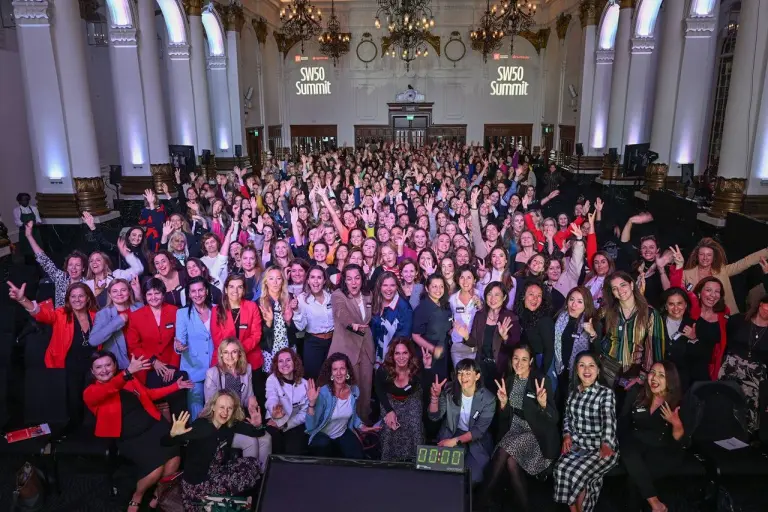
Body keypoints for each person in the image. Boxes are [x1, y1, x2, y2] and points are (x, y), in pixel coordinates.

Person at [84, 351, 191, 512]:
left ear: (115, 365)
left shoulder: (128, 378)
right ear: (92, 371)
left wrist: (176, 386)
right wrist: (127, 373)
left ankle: (158, 495)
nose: (104, 370)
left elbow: (148, 394)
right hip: (130, 438)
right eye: (98, 367)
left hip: (154, 426)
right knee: (155, 470)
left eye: (108, 365)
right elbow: (110, 388)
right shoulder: (91, 392)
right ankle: (137, 496)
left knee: (174, 459)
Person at [9, 280, 97, 431]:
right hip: (68, 365)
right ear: (68, 299)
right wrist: (23, 299)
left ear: (87, 298)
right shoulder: (61, 314)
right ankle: (73, 431)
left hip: (92, 366)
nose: (77, 300)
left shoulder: (95, 315)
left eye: (81, 296)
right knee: (72, 401)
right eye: (73, 296)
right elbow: (41, 314)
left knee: (91, 400)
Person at [480, 345, 559, 512]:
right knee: (511, 462)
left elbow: (554, 418)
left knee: (504, 451)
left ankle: (481, 499)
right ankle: (525, 507)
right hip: (514, 429)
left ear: (531, 361)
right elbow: (503, 418)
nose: (519, 363)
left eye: (524, 359)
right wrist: (503, 404)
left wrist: (543, 405)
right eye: (516, 358)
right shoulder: (509, 380)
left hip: (535, 433)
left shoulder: (540, 380)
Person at [163, 391, 266, 509]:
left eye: (229, 408)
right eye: (221, 407)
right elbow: (165, 442)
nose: (225, 412)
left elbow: (257, 432)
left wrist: (258, 425)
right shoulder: (201, 426)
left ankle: (225, 498)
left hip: (217, 471)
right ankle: (209, 500)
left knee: (252, 463)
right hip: (198, 483)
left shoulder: (229, 424)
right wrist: (173, 435)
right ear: (213, 407)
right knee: (244, 477)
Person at [554, 351, 619, 512]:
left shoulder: (605, 394)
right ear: (576, 370)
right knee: (561, 469)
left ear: (598, 370)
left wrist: (606, 443)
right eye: (582, 365)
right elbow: (567, 418)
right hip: (578, 445)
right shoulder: (573, 393)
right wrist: (567, 435)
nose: (587, 369)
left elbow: (609, 419)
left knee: (578, 475)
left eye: (591, 365)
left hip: (600, 448)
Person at [619, 362, 688, 512]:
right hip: (636, 445)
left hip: (663, 451)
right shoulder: (637, 392)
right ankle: (655, 503)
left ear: (670, 381)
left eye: (661, 375)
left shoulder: (678, 403)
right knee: (627, 448)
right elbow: (623, 422)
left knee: (635, 477)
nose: (654, 378)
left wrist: (676, 424)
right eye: (652, 372)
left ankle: (649, 505)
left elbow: (681, 443)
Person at [204, 338, 271, 471]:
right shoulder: (212, 373)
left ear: (240, 353)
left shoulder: (247, 369)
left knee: (266, 439)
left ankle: (263, 478)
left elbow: (249, 397)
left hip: (240, 417)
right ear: (221, 354)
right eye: (226, 352)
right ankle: (248, 478)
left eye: (234, 352)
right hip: (222, 422)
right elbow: (210, 406)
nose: (230, 356)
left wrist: (253, 408)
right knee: (251, 442)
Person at [428, 358, 496, 484]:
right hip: (452, 433)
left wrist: (453, 442)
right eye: (460, 373)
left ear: (477, 376)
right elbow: (434, 416)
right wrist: (434, 398)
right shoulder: (449, 391)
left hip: (476, 442)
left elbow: (478, 432)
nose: (463, 377)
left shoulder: (488, 399)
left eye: (468, 373)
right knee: (446, 473)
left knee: (472, 477)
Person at [305, 352, 380, 458]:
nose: (339, 373)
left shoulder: (354, 391)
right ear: (331, 373)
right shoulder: (323, 393)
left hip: (342, 433)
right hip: (322, 436)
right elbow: (310, 426)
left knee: (358, 457)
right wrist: (312, 403)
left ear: (347, 371)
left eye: (342, 369)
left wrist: (362, 426)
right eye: (335, 369)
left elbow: (353, 415)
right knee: (325, 447)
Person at [601, 271, 666, 388]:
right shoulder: (608, 312)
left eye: (623, 285)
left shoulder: (650, 314)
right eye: (615, 288)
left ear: (631, 285)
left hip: (635, 372)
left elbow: (654, 349)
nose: (620, 290)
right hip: (608, 368)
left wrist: (642, 376)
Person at [328, 264, 374, 420]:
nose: (354, 283)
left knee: (366, 389)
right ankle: (349, 425)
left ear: (362, 279)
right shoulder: (338, 295)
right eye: (349, 279)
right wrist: (351, 324)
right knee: (349, 391)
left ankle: (364, 424)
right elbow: (341, 313)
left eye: (357, 278)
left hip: (366, 348)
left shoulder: (368, 295)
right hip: (347, 349)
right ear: (344, 281)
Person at [375, 339, 432, 461]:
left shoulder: (416, 368)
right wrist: (389, 410)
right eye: (397, 353)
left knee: (414, 426)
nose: (401, 357)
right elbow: (378, 389)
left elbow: (427, 391)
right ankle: (388, 462)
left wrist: (427, 367)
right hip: (390, 399)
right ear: (392, 355)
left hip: (412, 397)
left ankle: (416, 461)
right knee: (389, 428)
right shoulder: (384, 370)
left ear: (410, 354)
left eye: (405, 353)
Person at [719, 294, 768, 432]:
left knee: (746, 415)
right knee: (724, 407)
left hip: (755, 380)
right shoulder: (738, 320)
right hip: (730, 371)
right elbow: (725, 342)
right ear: (760, 303)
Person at [683, 237, 768, 313]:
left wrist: (766, 252)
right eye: (702, 254)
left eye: (709, 255)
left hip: (726, 316)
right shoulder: (686, 274)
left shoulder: (722, 271)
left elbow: (745, 262)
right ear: (697, 256)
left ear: (713, 257)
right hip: (700, 317)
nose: (705, 258)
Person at [463, 281, 521, 388]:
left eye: (497, 294)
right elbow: (474, 343)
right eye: (489, 294)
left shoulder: (511, 317)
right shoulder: (480, 315)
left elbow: (516, 347)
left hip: (500, 369)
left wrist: (505, 337)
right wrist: (466, 336)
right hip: (481, 367)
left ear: (504, 297)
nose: (492, 298)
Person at [175, 277, 215, 419]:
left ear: (206, 291)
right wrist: (179, 347)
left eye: (200, 290)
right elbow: (179, 341)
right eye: (193, 291)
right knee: (196, 414)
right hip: (193, 370)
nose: (197, 294)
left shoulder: (216, 309)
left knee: (216, 410)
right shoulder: (182, 313)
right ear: (189, 294)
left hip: (215, 369)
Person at [23, 221, 87, 307]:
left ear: (83, 268)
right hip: (60, 315)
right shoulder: (61, 278)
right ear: (67, 267)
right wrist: (29, 236)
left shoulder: (88, 283)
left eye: (77, 265)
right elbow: (43, 259)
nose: (73, 268)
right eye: (71, 265)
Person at [553, 287, 600, 403]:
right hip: (559, 369)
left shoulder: (593, 322)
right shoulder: (560, 317)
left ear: (586, 304)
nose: (574, 305)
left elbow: (597, 353)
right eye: (571, 299)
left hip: (580, 374)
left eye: (579, 301)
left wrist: (592, 334)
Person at [212, 274, 263, 374]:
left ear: (243, 291)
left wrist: (238, 350)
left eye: (239, 287)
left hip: (250, 358)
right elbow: (217, 338)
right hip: (225, 360)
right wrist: (231, 354)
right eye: (231, 287)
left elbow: (256, 335)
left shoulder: (252, 307)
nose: (235, 291)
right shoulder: (216, 310)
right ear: (226, 290)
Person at [89, 278, 143, 370]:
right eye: (115, 291)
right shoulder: (103, 314)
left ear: (129, 292)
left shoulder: (139, 307)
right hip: (119, 365)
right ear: (110, 294)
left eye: (123, 290)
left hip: (141, 360)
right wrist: (118, 321)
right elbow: (93, 341)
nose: (119, 294)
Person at [293, 265, 334, 379]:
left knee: (330, 377)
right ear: (308, 280)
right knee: (313, 378)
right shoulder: (302, 299)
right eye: (312, 277)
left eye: (319, 277)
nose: (316, 281)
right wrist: (296, 310)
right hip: (313, 343)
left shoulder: (331, 296)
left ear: (324, 281)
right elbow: (300, 327)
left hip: (332, 341)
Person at [265, 348, 309, 455]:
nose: (284, 364)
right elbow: (271, 398)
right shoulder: (272, 379)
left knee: (293, 448)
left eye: (288, 360)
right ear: (276, 365)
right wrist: (275, 411)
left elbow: (304, 413)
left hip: (295, 422)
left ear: (295, 362)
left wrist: (286, 425)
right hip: (275, 420)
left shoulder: (305, 384)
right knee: (274, 442)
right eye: (281, 361)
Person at [412, 273, 453, 380]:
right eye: (434, 286)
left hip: (444, 352)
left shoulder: (446, 306)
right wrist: (433, 349)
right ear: (427, 288)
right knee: (429, 383)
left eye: (441, 286)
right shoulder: (422, 309)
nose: (438, 290)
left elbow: (447, 329)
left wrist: (455, 331)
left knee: (442, 382)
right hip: (428, 355)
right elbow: (415, 336)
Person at [516, 281, 556, 388]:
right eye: (531, 294)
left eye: (539, 296)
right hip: (526, 363)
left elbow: (549, 350)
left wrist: (541, 375)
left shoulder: (545, 320)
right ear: (523, 296)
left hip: (542, 365)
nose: (535, 298)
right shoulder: (522, 316)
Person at [370, 271, 413, 365]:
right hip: (376, 359)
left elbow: (405, 337)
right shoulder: (375, 302)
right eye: (385, 285)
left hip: (396, 361)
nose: (388, 289)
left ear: (397, 286)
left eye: (392, 285)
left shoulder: (404, 307)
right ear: (379, 287)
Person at [449, 265, 483, 368]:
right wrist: (451, 329)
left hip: (475, 344)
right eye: (462, 277)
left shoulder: (481, 295)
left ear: (474, 280)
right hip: (457, 344)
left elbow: (486, 318)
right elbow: (449, 318)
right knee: (459, 373)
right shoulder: (452, 299)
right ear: (458, 280)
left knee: (473, 374)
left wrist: (480, 306)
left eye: (469, 277)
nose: (465, 281)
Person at [14, 192, 42, 264]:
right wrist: (27, 224)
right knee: (26, 247)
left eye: (27, 200)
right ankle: (28, 262)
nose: (25, 201)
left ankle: (38, 261)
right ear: (19, 201)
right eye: (23, 200)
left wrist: (37, 223)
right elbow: (18, 222)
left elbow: (38, 220)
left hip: (35, 231)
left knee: (36, 246)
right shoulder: (16, 210)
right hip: (24, 232)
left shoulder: (34, 208)